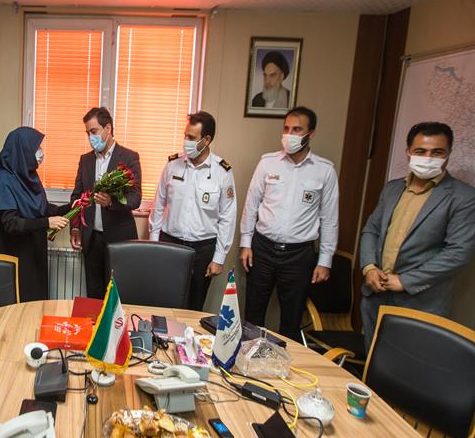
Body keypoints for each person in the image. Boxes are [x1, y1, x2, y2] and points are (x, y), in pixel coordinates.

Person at [359, 122, 475, 350]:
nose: (428, 158)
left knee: (408, 366)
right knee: (372, 360)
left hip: (421, 302)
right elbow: (371, 229)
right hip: (376, 295)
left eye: (437, 152)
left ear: (448, 154)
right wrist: (369, 267)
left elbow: (458, 253)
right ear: (408, 152)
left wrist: (405, 281)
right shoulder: (392, 188)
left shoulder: (463, 197)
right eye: (421, 151)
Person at [239, 107, 339, 341]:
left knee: (291, 320)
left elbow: (330, 218)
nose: (289, 135)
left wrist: (325, 260)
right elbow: (251, 205)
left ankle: (286, 361)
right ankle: (248, 356)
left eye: (297, 129)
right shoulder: (267, 163)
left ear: (311, 134)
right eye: (286, 129)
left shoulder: (325, 171)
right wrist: (245, 244)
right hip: (262, 249)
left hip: (299, 255)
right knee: (253, 315)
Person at [149, 111, 237, 311]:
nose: (186, 142)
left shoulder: (222, 172)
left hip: (203, 249)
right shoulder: (172, 165)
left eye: (191, 137)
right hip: (170, 243)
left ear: (206, 140)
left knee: (194, 305)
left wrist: (219, 258)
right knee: (164, 300)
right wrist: (155, 243)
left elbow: (227, 217)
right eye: (185, 136)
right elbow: (159, 204)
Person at [0, 127, 69, 301]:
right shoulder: (5, 179)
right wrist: (47, 223)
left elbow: (44, 209)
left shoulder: (30, 176)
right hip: (15, 255)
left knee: (36, 300)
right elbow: (10, 223)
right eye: (37, 147)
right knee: (20, 304)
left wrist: (72, 207)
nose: (41, 152)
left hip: (33, 250)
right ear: (23, 149)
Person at [70, 107, 142, 299]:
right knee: (93, 295)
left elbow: (135, 198)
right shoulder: (85, 160)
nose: (90, 137)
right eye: (88, 133)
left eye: (93, 131)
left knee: (116, 296)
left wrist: (111, 202)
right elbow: (76, 197)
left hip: (119, 239)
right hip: (91, 239)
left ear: (107, 129)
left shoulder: (129, 157)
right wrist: (75, 227)